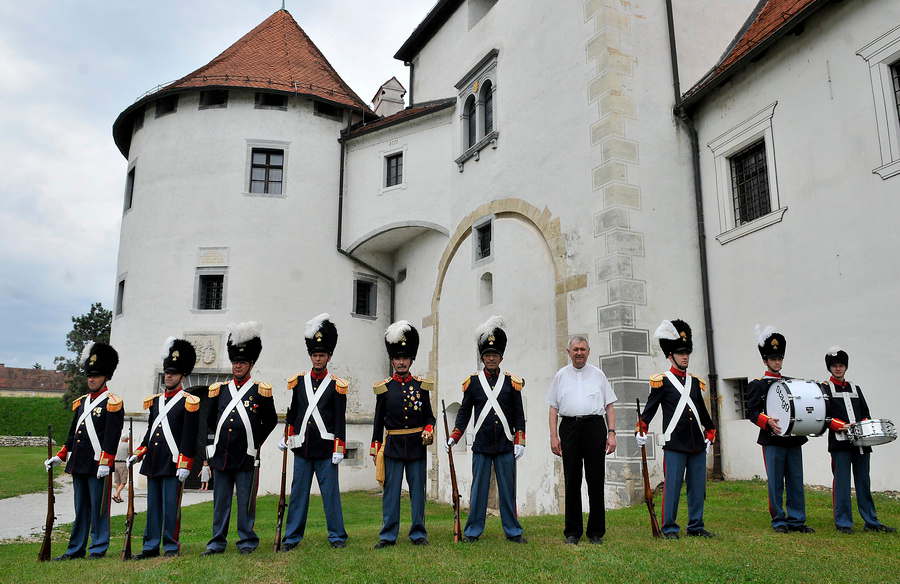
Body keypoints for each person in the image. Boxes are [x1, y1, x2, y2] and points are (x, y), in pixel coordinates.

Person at [446, 316, 526, 543]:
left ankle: (513, 531)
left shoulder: (512, 383)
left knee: (507, 491)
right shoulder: (472, 382)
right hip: (481, 444)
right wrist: (455, 436)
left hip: (504, 443)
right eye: (488, 355)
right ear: (482, 357)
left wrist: (520, 440)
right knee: (478, 490)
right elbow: (463, 413)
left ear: (501, 357)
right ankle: (473, 531)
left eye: (495, 355)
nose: (491, 358)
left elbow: (519, 415)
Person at [202, 322, 278, 555]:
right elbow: (209, 423)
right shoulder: (219, 390)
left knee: (246, 503)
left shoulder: (260, 391)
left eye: (242, 363)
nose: (237, 366)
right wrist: (210, 449)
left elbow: (271, 420)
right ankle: (217, 542)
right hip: (222, 456)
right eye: (235, 362)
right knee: (220, 503)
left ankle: (246, 541)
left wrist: (255, 443)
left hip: (246, 456)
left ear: (251, 364)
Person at [44, 342, 124, 560]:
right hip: (79, 463)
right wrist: (60, 456)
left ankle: (98, 548)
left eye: (96, 375)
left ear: (105, 377)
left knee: (99, 510)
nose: (91, 379)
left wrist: (106, 463)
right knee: (81, 510)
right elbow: (73, 435)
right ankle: (75, 549)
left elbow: (112, 436)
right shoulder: (81, 403)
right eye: (89, 375)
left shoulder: (112, 403)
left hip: (98, 465)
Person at [636, 320, 716, 539]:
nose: (685, 357)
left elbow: (703, 414)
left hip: (696, 443)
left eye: (687, 353)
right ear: (670, 355)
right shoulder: (663, 382)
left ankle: (696, 525)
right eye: (680, 353)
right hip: (675, 443)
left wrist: (710, 432)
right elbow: (649, 411)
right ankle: (670, 527)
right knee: (672, 488)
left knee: (697, 487)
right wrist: (640, 430)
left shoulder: (695, 383)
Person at [278, 313, 349, 550]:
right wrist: (286, 435)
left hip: (327, 448)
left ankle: (337, 536)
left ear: (329, 356)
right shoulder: (299, 382)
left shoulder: (337, 385)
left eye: (322, 355)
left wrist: (340, 447)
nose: (318, 359)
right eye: (315, 355)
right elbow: (293, 412)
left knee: (331, 496)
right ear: (310, 356)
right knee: (298, 495)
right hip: (302, 446)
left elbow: (340, 419)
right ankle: (291, 538)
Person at [127, 338, 200, 559]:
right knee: (153, 507)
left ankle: (170, 545)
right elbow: (151, 432)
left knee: (170, 507)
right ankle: (150, 546)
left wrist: (186, 462)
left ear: (182, 376)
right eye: (167, 372)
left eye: (174, 373)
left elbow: (190, 436)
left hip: (173, 462)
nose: (168, 376)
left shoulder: (189, 401)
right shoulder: (156, 402)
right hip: (154, 460)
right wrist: (139, 452)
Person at [371, 320, 435, 549]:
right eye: (397, 358)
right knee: (391, 493)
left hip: (417, 446)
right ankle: (388, 535)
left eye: (405, 358)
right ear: (392, 360)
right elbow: (378, 421)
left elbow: (430, 417)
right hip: (393, 447)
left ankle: (418, 533)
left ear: (411, 360)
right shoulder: (384, 388)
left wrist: (429, 430)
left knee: (418, 493)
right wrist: (375, 445)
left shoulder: (421, 387)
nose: (400, 362)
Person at [547, 335, 617, 544]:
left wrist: (611, 433)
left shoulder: (599, 375)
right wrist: (553, 436)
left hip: (595, 427)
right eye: (575, 349)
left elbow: (610, 406)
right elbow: (553, 408)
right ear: (568, 352)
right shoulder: (560, 376)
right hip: (569, 428)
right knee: (572, 480)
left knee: (596, 480)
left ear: (588, 351)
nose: (579, 353)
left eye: (583, 349)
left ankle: (596, 532)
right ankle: (572, 532)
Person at [821, 347, 895, 534]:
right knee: (842, 483)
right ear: (830, 368)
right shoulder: (824, 388)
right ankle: (844, 523)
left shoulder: (856, 388)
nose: (838, 369)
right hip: (840, 444)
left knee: (863, 482)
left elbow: (865, 414)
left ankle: (871, 521)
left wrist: (862, 423)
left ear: (846, 367)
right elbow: (825, 416)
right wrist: (841, 425)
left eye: (841, 365)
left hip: (862, 443)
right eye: (835, 366)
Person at [746, 325, 813, 533]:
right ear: (765, 360)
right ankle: (779, 520)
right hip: (772, 439)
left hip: (793, 439)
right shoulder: (757, 384)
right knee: (775, 482)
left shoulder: (791, 382)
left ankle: (797, 520)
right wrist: (767, 421)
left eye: (779, 358)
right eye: (773, 358)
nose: (777, 362)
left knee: (795, 480)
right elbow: (752, 412)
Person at [113, 434, 130, 503]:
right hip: (122, 464)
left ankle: (119, 498)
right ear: (127, 439)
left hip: (115, 464)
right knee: (123, 482)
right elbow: (130, 455)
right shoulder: (128, 445)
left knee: (118, 482)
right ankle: (115, 495)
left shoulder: (117, 445)